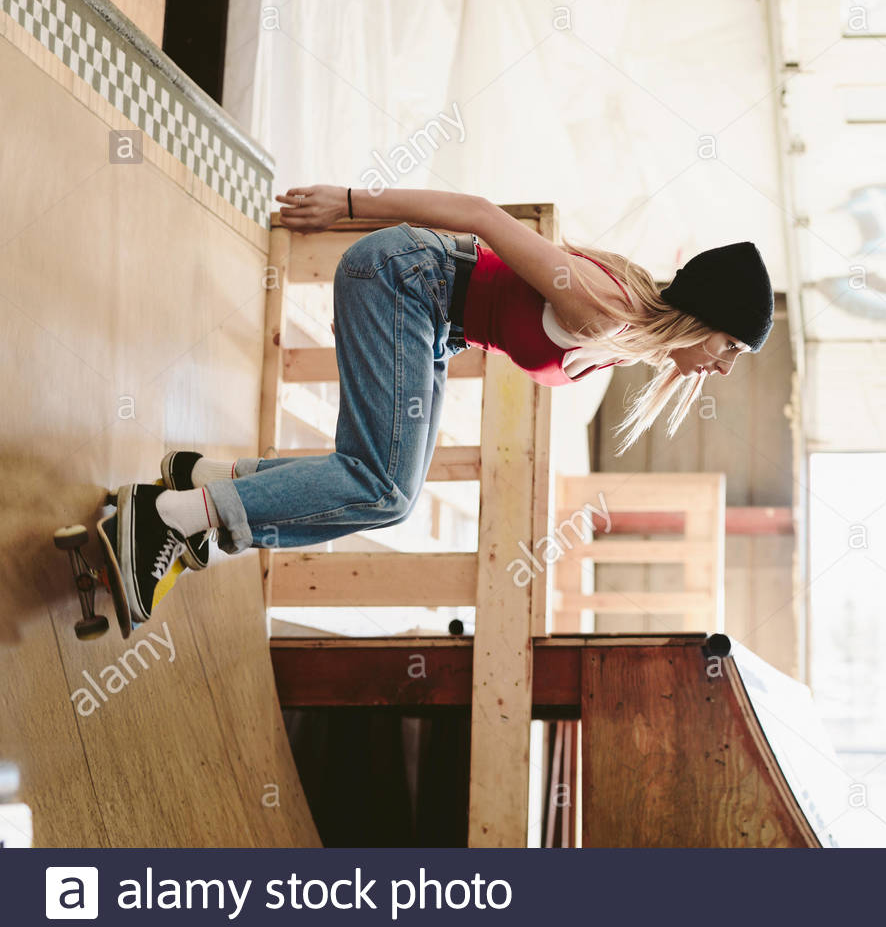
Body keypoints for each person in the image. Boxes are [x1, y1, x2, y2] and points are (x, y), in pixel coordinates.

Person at [105, 185, 775, 631]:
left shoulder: (626, 341)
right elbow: (483, 216)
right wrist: (346, 203)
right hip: (405, 279)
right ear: (703, 315)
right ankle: (166, 518)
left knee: (391, 490)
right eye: (730, 346)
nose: (723, 365)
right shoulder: (603, 309)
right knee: (384, 490)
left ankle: (203, 485)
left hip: (425, 316)